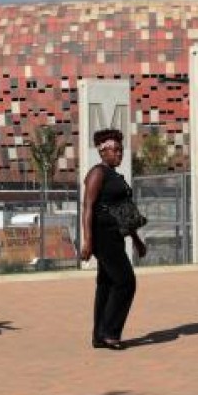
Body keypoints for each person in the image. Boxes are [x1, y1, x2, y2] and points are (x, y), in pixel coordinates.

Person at [80, 129, 146, 350]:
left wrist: (136, 240)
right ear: (102, 151)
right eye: (114, 150)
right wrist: (87, 240)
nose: (119, 153)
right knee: (126, 282)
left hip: (115, 234)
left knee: (106, 285)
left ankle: (100, 335)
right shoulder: (97, 173)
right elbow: (87, 206)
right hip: (102, 235)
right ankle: (110, 333)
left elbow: (124, 211)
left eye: (121, 149)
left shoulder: (116, 176)